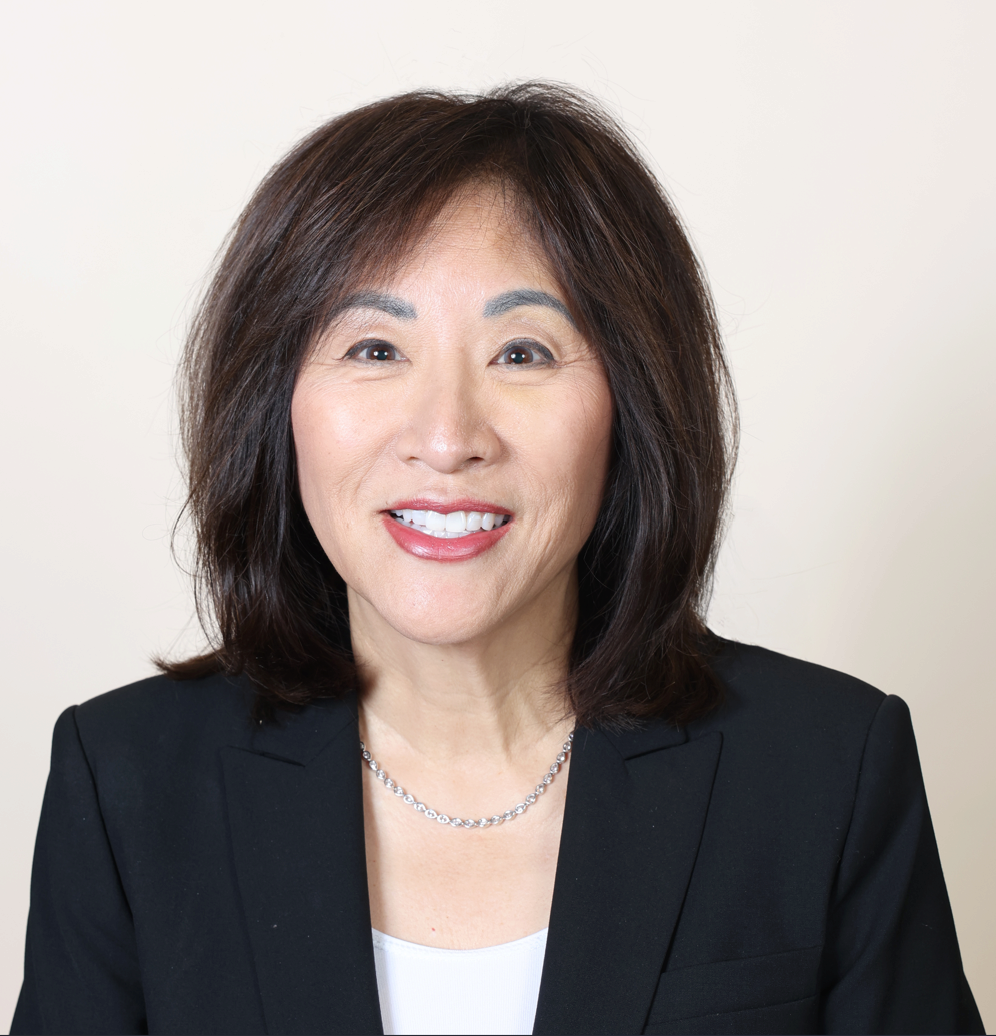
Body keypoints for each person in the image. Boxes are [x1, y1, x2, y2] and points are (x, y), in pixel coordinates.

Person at [11, 84, 983, 1036]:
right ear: (277, 404)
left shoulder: (827, 769)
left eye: (522, 353)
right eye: (375, 349)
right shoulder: (128, 782)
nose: (447, 438)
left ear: (632, 404)